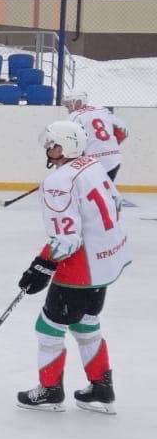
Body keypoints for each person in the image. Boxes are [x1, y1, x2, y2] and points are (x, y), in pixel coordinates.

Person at [15, 120, 129, 413]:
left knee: (48, 327)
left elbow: (66, 238)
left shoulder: (57, 183)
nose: (48, 149)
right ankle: (101, 387)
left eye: (52, 144)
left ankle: (50, 391)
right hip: (107, 262)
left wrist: (42, 264)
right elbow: (116, 203)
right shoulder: (94, 166)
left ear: (64, 147)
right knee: (86, 322)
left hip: (80, 268)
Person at [64, 89, 127, 181]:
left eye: (70, 102)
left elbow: (73, 142)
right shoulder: (102, 110)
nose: (67, 105)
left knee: (88, 191)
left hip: (92, 162)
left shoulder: (74, 116)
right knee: (105, 191)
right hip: (113, 159)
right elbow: (123, 131)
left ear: (79, 101)